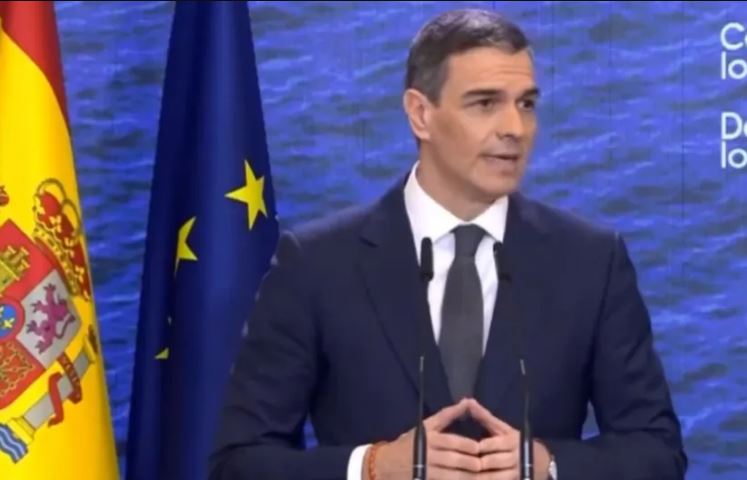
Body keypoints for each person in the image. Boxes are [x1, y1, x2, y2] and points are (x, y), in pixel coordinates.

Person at [209, 8, 687, 480]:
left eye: (526, 104)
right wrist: (371, 467)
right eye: (485, 103)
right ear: (421, 114)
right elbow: (238, 462)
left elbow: (657, 451)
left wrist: (549, 465)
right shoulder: (317, 265)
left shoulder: (590, 262)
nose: (515, 128)